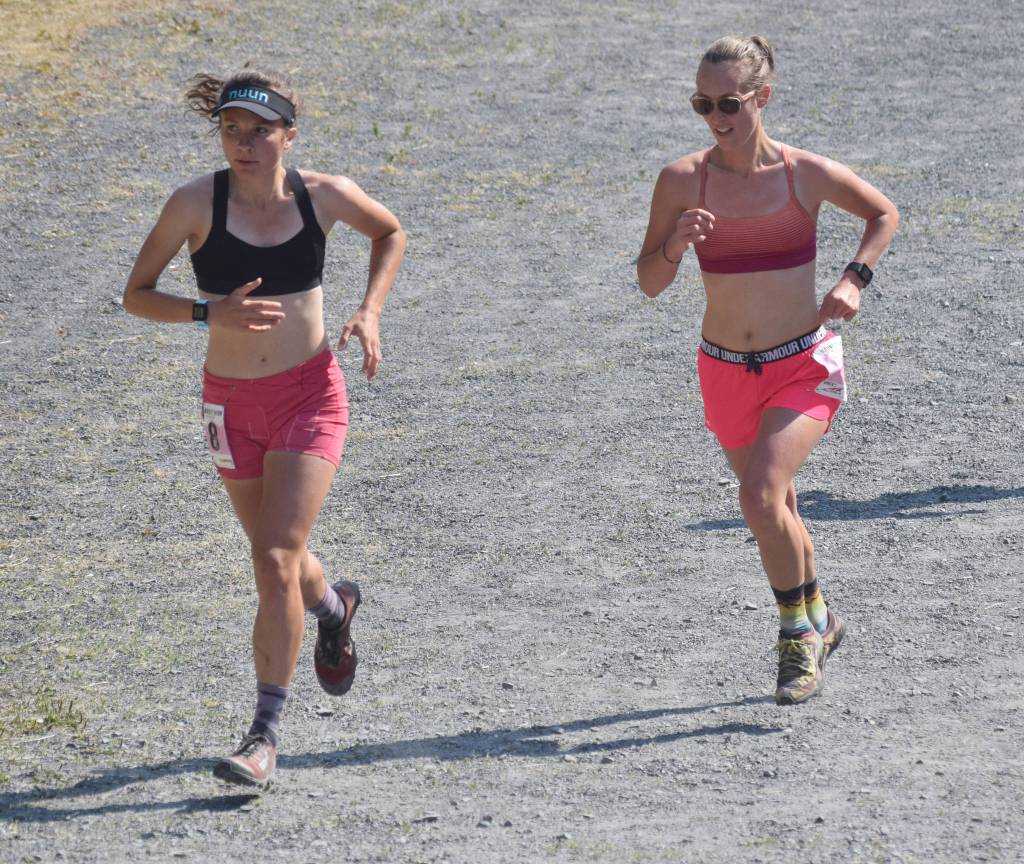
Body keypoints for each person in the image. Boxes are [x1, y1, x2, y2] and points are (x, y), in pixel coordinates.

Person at [123, 67, 406, 785]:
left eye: (258, 132)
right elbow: (136, 295)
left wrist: (369, 310)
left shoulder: (324, 195)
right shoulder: (194, 204)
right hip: (229, 405)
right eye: (230, 131)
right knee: (277, 555)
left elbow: (390, 232)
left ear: (289, 135)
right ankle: (334, 605)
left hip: (310, 395)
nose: (243, 145)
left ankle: (263, 736)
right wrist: (204, 313)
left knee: (274, 558)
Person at [636, 36, 897, 705]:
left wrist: (854, 279)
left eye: (728, 103)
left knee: (758, 496)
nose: (714, 116)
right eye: (702, 103)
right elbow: (650, 282)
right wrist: (673, 244)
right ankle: (820, 616)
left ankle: (795, 639)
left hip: (801, 366)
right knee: (775, 505)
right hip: (723, 369)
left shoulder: (801, 175)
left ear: (762, 98)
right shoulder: (681, 180)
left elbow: (881, 213)